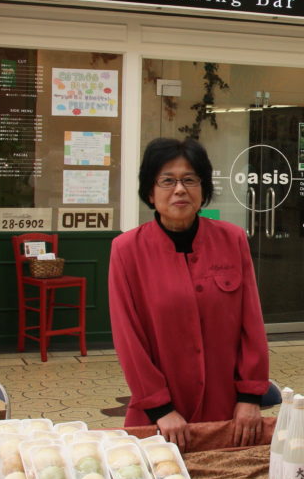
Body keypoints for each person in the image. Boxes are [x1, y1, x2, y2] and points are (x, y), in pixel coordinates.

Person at [109, 136, 270, 450]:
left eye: (190, 180)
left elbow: (251, 324)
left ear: (203, 188)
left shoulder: (232, 239)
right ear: (150, 192)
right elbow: (128, 338)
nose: (180, 189)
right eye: (167, 180)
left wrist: (250, 398)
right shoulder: (127, 250)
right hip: (159, 420)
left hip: (228, 413)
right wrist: (160, 408)